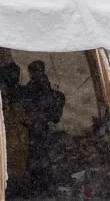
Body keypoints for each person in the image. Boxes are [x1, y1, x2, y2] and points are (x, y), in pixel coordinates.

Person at [21, 60, 62, 197]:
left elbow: (34, 106)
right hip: (41, 127)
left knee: (34, 159)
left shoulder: (36, 85)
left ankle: (37, 190)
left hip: (35, 128)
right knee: (41, 159)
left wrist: (32, 116)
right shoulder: (45, 84)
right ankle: (44, 189)